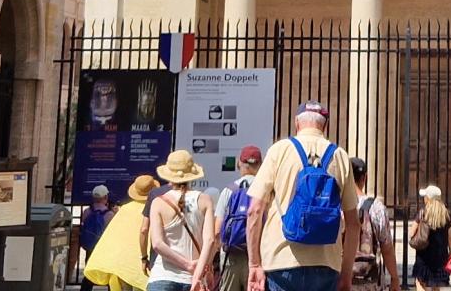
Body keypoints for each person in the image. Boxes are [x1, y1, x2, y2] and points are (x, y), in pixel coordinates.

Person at [247, 100, 362, 291]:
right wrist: (346, 274)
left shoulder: (280, 150)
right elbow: (353, 224)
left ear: (296, 123)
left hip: (281, 259)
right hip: (326, 262)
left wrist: (254, 264)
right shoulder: (339, 156)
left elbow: (254, 211)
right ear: (325, 125)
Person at [149, 150, 220, 291]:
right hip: (193, 279)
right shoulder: (205, 200)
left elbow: (157, 244)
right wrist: (199, 274)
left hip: (162, 276)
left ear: (169, 176)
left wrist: (187, 264)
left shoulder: (158, 202)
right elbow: (210, 240)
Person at [87, 175, 158, 291]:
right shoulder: (156, 208)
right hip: (144, 262)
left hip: (122, 264)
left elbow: (112, 236)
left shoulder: (125, 209)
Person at [218, 145, 266, 291]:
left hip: (231, 257)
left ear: (239, 163)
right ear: (260, 164)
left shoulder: (229, 191)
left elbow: (216, 231)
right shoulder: (267, 190)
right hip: (259, 257)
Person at [351, 156, 401, 291]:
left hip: (342, 279)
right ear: (365, 178)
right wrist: (394, 278)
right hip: (370, 281)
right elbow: (387, 248)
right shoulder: (376, 207)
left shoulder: (336, 205)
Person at [409, 185, 451, 291]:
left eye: (425, 196)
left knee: (420, 283)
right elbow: (450, 236)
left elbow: (411, 232)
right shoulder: (446, 214)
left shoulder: (423, 212)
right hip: (440, 255)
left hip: (424, 255)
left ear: (428, 198)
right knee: (436, 286)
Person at [82, 186, 117, 288]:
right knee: (109, 272)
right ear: (105, 197)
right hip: (104, 248)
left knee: (89, 273)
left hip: (90, 247)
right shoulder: (109, 214)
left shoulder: (87, 212)